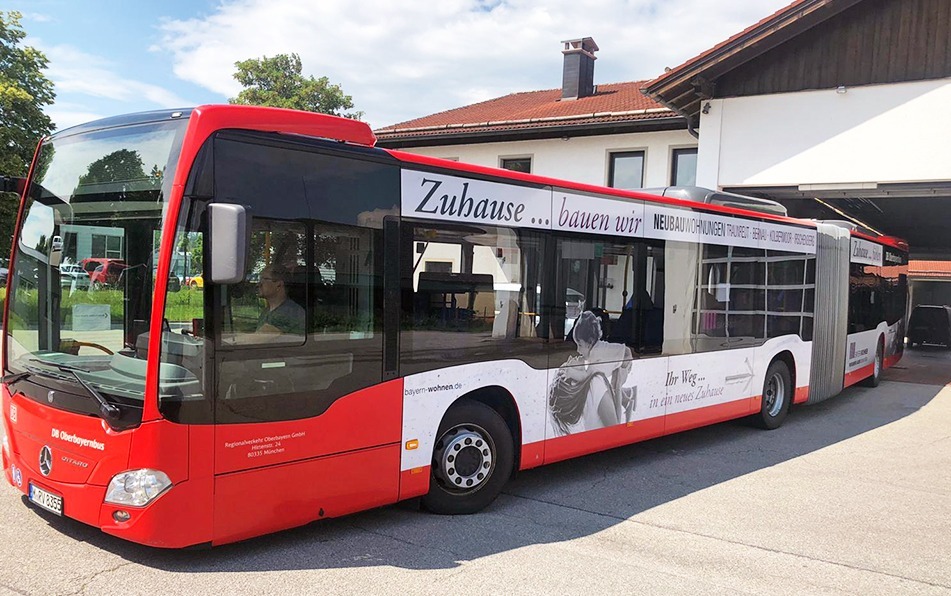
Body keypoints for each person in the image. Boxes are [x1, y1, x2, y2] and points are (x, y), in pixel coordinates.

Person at [549, 311, 636, 435]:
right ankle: (628, 399)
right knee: (609, 385)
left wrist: (571, 373)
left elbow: (586, 376)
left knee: (614, 385)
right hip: (621, 357)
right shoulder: (594, 352)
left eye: (580, 345)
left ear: (590, 342)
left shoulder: (595, 355)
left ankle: (627, 400)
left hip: (625, 361)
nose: (577, 350)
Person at [256, 264, 305, 336]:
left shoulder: (291, 313)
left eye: (264, 279)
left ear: (279, 285)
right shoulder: (266, 312)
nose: (258, 284)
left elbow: (259, 338)